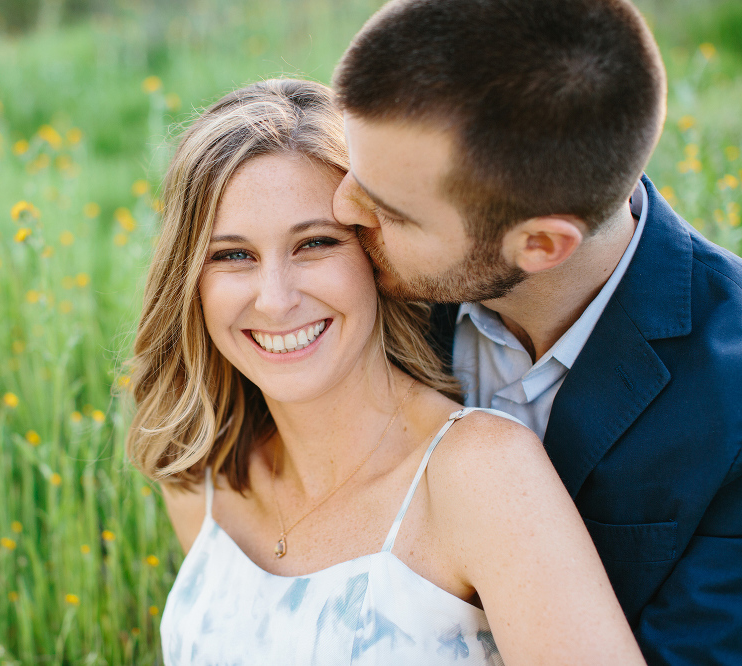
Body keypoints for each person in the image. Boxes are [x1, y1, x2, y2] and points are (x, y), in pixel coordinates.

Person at [126, 78, 645, 665]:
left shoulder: (480, 473)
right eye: (232, 255)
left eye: (315, 244)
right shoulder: (205, 477)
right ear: (189, 280)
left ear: (376, 256)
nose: (274, 300)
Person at [331, 1, 742, 664]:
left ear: (542, 244)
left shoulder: (734, 405)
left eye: (392, 212)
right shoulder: (357, 292)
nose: (340, 209)